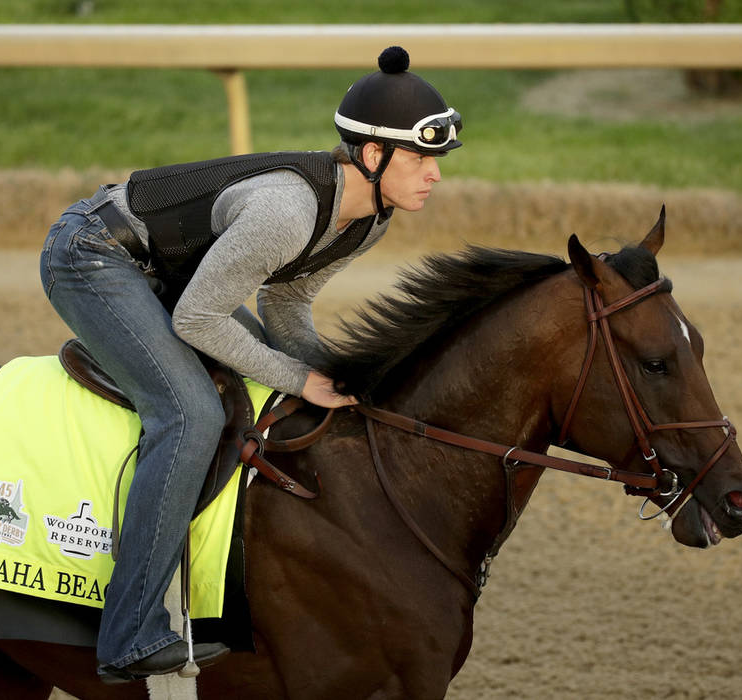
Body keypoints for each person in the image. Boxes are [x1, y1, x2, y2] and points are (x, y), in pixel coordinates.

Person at [39, 45, 462, 682]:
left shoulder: (371, 217)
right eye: (421, 157)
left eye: (438, 159)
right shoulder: (285, 213)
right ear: (373, 156)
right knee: (189, 415)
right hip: (94, 255)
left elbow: (285, 302)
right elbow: (198, 322)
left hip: (172, 273)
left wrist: (342, 377)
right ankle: (127, 633)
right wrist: (297, 378)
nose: (434, 174)